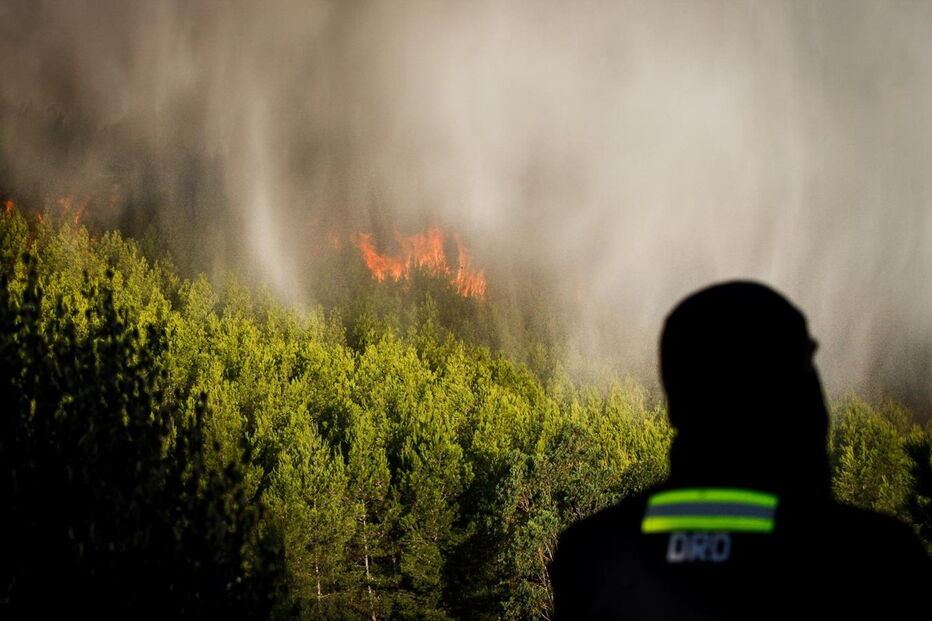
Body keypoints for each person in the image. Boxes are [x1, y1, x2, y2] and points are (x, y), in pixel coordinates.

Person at [548, 281, 931, 620]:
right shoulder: (877, 561)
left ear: (675, 404)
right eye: (805, 371)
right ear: (795, 398)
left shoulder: (591, 554)